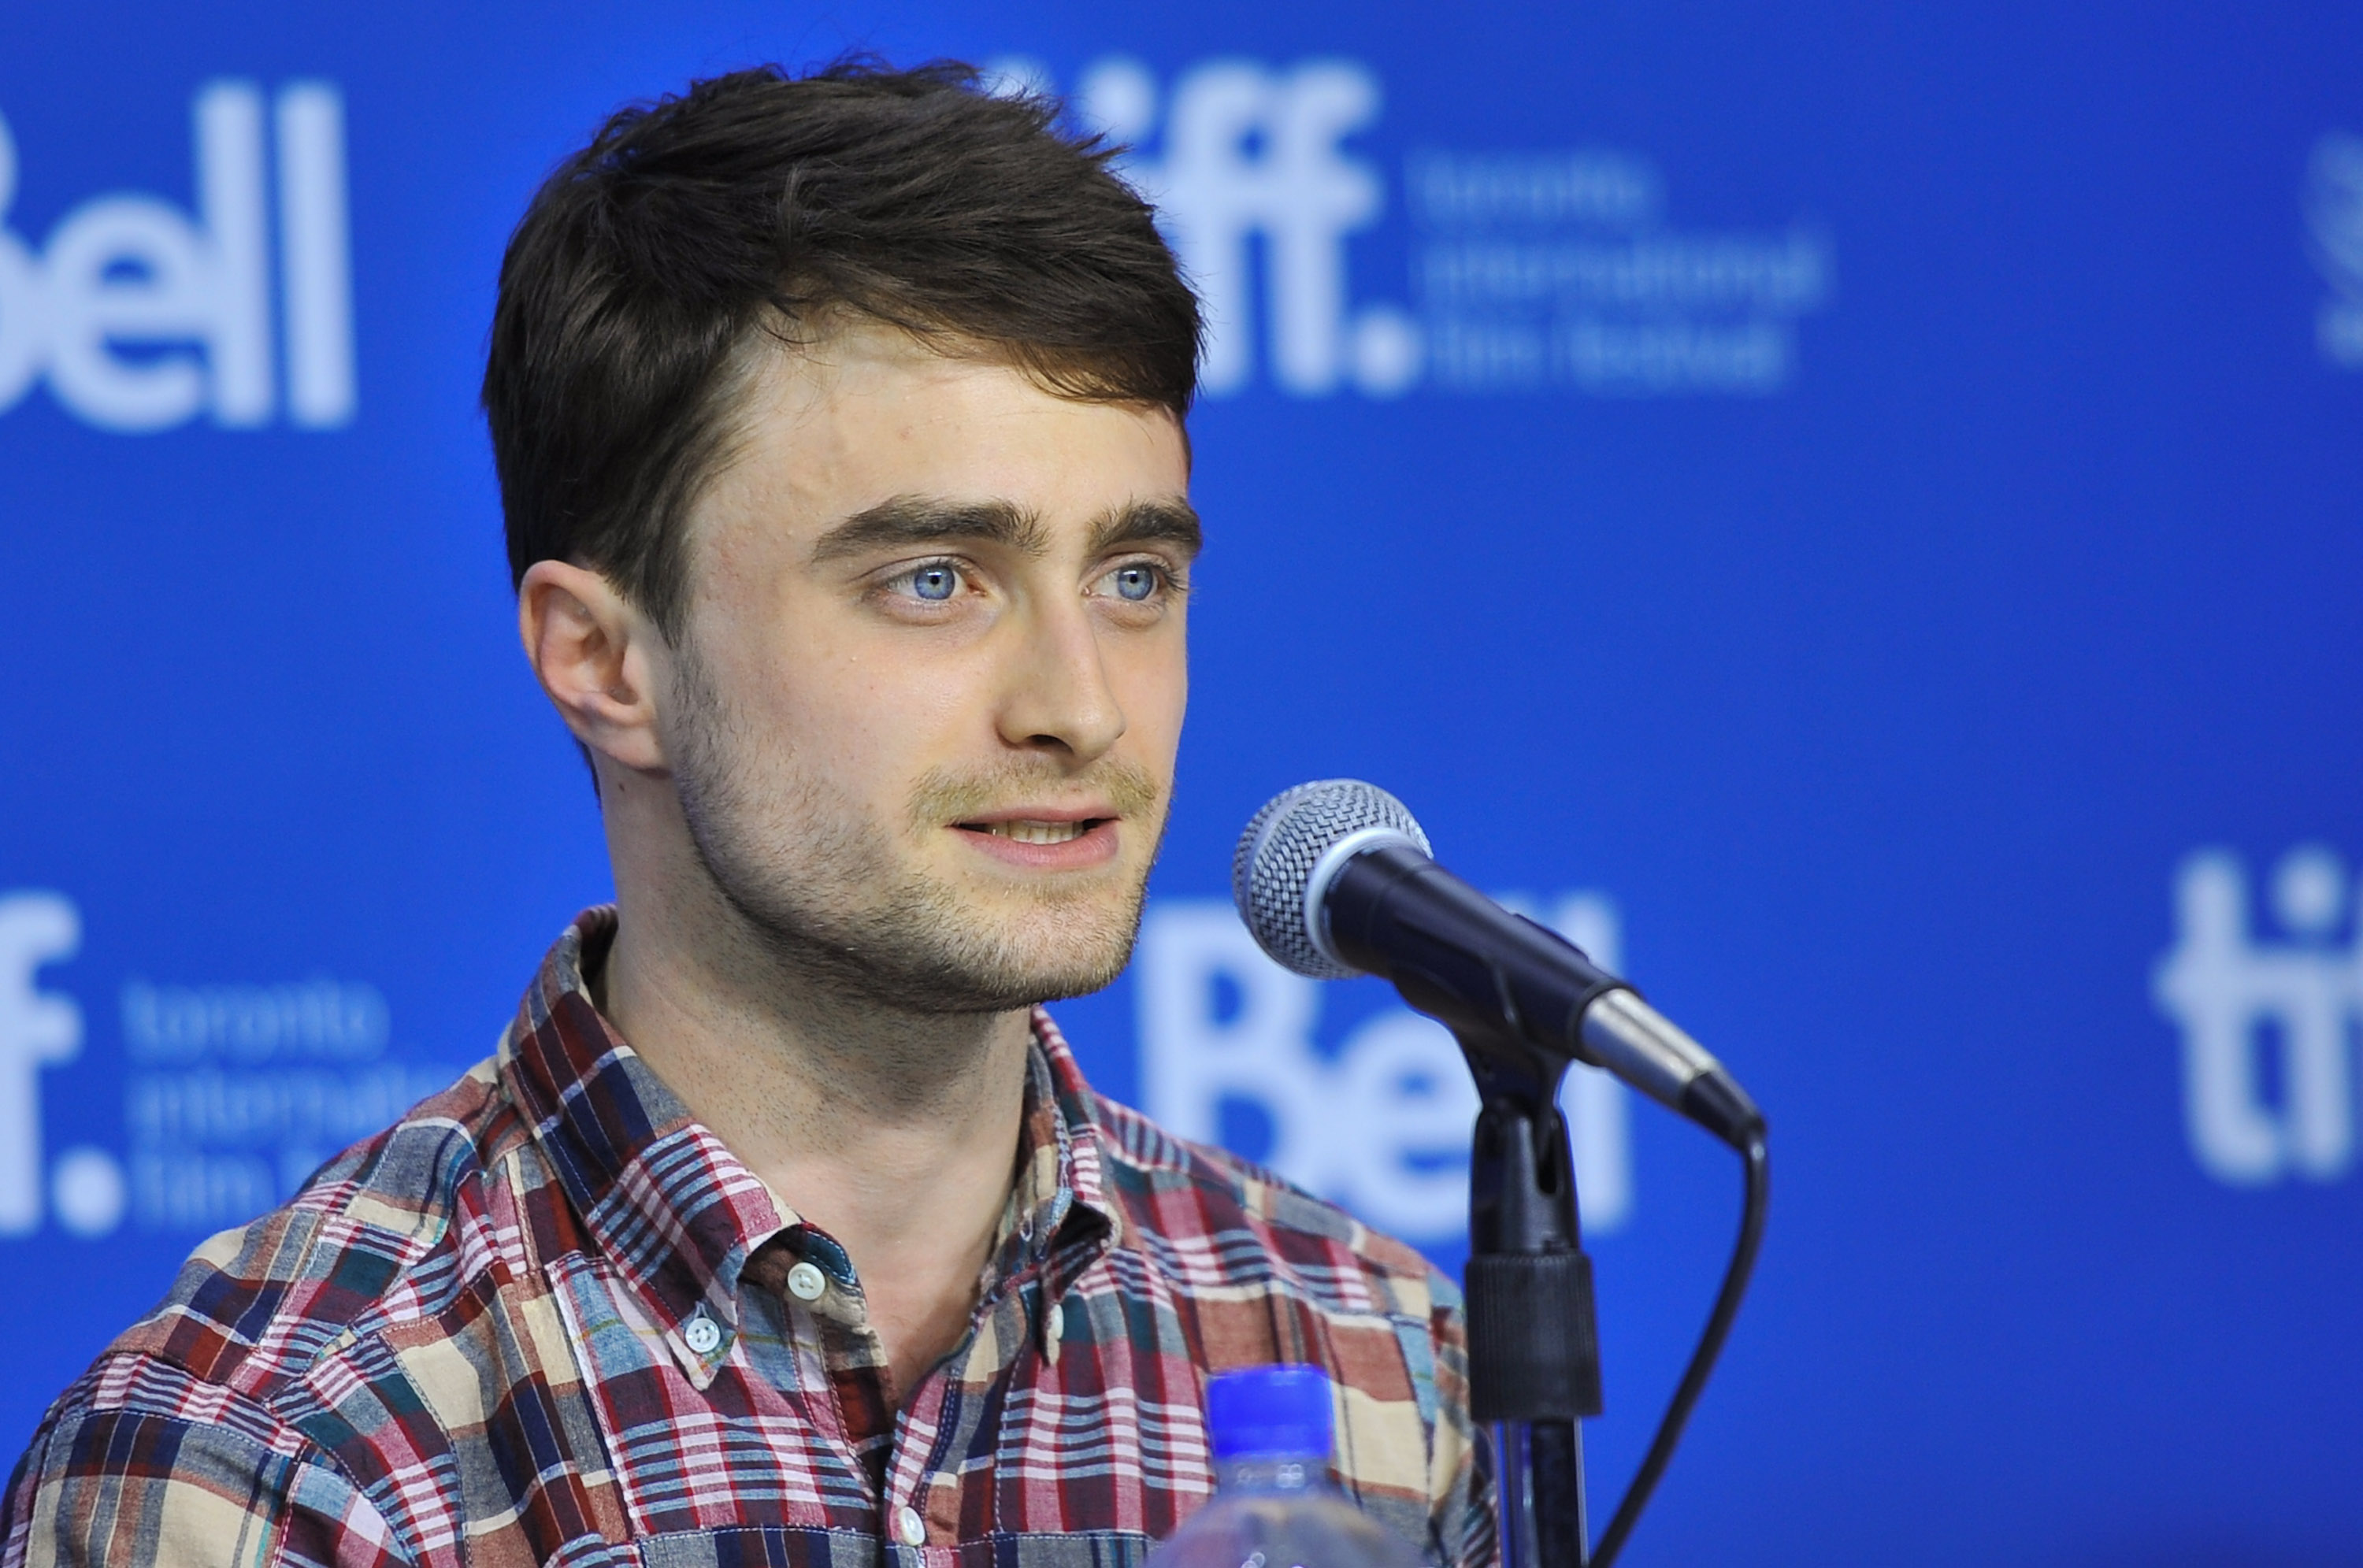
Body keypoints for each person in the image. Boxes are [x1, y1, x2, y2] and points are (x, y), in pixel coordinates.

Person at [2, 61, 1491, 1568]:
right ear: (607, 662)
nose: (1084, 706)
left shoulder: (1373, 1369)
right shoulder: (273, 1471)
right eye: (934, 580)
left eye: (1133, 578)